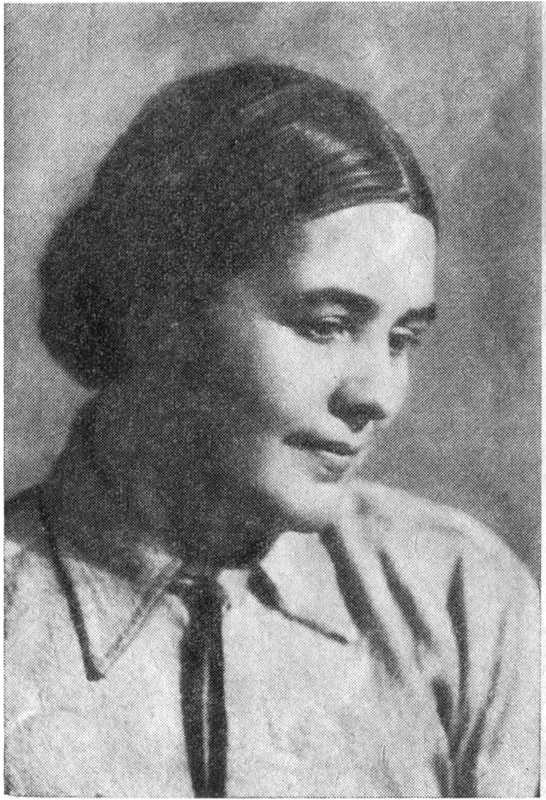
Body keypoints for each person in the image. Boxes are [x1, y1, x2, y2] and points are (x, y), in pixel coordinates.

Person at [5, 61, 539, 798]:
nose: (377, 396)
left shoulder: (463, 603)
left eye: (403, 338)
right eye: (326, 325)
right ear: (162, 309)